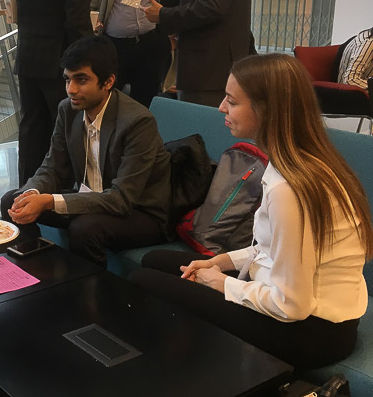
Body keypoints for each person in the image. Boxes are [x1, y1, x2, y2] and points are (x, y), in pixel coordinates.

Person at [129, 53, 373, 370]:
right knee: (155, 261)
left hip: (312, 332)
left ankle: (177, 371)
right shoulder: (298, 160)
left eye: (231, 101)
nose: (221, 108)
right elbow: (273, 248)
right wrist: (224, 260)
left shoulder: (291, 189)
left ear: (266, 109)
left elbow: (292, 305)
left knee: (142, 279)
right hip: (296, 301)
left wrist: (221, 283)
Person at [0, 36, 170, 267]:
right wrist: (32, 192)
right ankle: (34, 275)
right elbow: (52, 167)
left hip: (139, 213)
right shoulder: (68, 111)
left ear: (108, 81)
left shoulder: (137, 122)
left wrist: (49, 201)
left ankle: (90, 296)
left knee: (85, 228)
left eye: (81, 80)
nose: (71, 90)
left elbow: (121, 199)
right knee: (12, 200)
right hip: (91, 199)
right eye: (67, 80)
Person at [9, 0, 94, 185]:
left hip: (28, 58)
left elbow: (16, 7)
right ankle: (65, 201)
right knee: (70, 133)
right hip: (62, 63)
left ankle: (24, 197)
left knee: (31, 131)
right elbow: (77, 17)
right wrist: (89, 62)